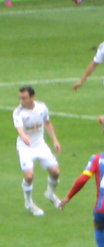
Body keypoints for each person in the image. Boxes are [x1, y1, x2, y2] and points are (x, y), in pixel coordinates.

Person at [13, 86, 61, 216]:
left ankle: (50, 194)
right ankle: (29, 203)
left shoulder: (42, 107)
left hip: (40, 144)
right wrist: (23, 136)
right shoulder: (18, 112)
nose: (21, 101)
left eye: (24, 98)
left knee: (56, 172)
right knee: (29, 175)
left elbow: (47, 123)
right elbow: (19, 128)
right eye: (20, 98)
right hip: (25, 147)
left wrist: (55, 141)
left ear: (32, 97)